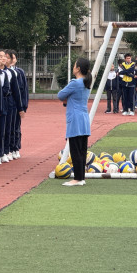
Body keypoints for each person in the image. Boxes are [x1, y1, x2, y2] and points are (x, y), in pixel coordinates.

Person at [57, 57, 92, 187]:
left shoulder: (75, 83)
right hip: (83, 117)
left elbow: (60, 95)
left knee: (75, 150)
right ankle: (81, 177)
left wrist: (67, 99)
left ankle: (77, 178)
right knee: (82, 150)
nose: (73, 67)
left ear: (78, 69)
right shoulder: (86, 82)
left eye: (74, 65)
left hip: (75, 119)